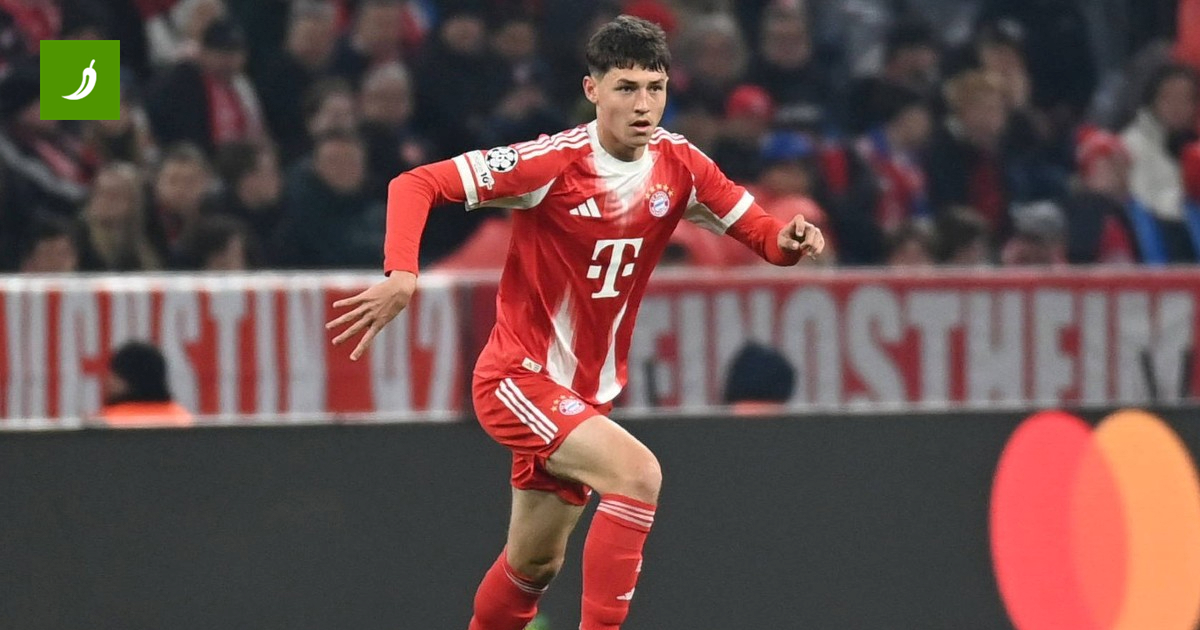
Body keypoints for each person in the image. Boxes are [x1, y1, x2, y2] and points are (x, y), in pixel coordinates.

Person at [325, 16, 824, 630]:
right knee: (637, 475)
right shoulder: (552, 164)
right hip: (518, 378)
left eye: (655, 88)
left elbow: (762, 235)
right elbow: (417, 183)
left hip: (584, 393)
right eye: (626, 88)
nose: (643, 105)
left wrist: (788, 240)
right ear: (593, 90)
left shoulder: (681, 166)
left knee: (534, 565)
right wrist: (402, 272)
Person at [96, 341, 194, 428]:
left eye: (113, 374)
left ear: (125, 379)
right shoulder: (183, 420)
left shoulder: (104, 422)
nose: (108, 380)